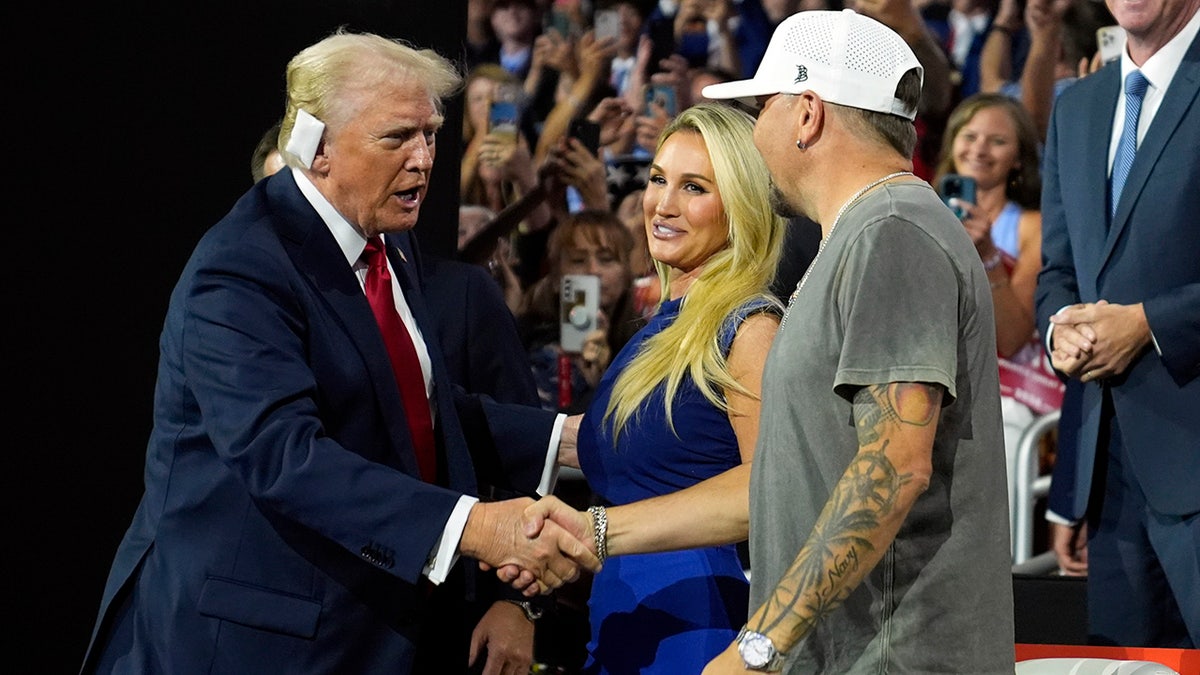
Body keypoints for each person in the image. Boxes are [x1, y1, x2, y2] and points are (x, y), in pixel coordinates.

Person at [79, 30, 600, 675]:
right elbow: (285, 454)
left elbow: (410, 408)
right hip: (256, 645)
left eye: (431, 134)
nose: (423, 159)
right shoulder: (242, 268)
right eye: (397, 137)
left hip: (369, 632)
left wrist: (569, 439)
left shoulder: (385, 238)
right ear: (315, 147)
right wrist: (474, 527)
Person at [701, 9, 1014, 671]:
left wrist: (759, 646)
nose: (755, 135)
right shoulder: (866, 232)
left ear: (808, 113)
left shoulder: (891, 229)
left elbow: (896, 463)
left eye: (764, 108)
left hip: (895, 658)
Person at [516, 102, 788, 674]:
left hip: (697, 623)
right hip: (620, 614)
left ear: (739, 206)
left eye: (694, 188)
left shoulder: (750, 326)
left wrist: (596, 530)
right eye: (659, 179)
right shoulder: (665, 326)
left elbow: (768, 488)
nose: (662, 205)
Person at [1034, 0, 1199, 649]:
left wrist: (1150, 322)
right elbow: (1059, 272)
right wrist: (1058, 332)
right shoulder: (1076, 106)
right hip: (1105, 482)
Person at [934, 92, 1062, 523]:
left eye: (997, 141)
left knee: (1002, 420)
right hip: (931, 376)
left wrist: (988, 255)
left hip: (1006, 391)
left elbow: (1010, 336)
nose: (979, 149)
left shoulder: (1032, 228)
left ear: (1020, 159)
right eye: (969, 135)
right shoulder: (919, 213)